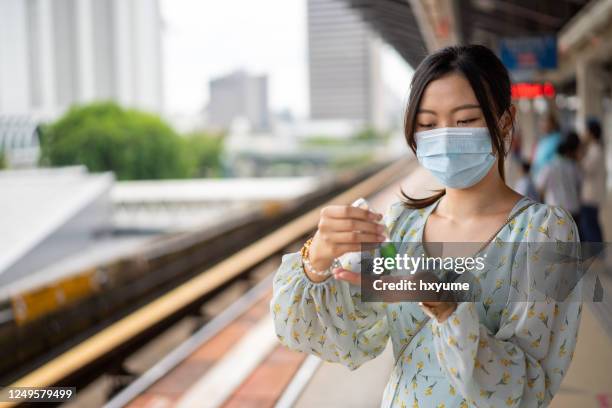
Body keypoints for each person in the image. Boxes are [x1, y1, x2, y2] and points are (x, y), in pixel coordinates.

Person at [270, 45, 582, 407]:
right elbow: (351, 337)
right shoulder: (401, 225)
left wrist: (449, 309)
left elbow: (528, 387)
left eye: (465, 120)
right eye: (428, 124)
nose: (445, 136)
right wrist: (318, 259)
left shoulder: (544, 233)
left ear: (505, 121)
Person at [535, 131, 582, 228]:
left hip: (555, 211)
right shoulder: (572, 166)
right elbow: (579, 184)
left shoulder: (548, 166)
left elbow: (539, 186)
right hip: (573, 210)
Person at [579, 118, 606, 242]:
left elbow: (585, 168)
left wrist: (579, 155)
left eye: (585, 131)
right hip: (590, 194)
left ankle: (598, 253)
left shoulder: (595, 150)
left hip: (590, 196)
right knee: (591, 224)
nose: (584, 134)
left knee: (590, 226)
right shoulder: (593, 149)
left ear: (591, 133)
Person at [531, 112, 562, 177]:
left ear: (552, 124)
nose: (542, 124)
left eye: (545, 122)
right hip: (538, 178)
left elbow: (557, 161)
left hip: (551, 179)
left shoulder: (558, 139)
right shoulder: (542, 140)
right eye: (541, 122)